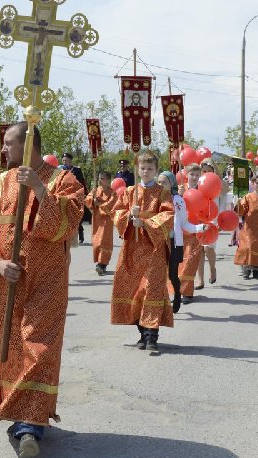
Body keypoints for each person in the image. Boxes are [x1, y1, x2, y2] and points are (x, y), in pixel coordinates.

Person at [0, 121, 85, 458]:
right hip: (9, 282)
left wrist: (39, 188)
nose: (3, 149)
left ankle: (30, 425)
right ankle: (21, 415)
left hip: (48, 282)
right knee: (13, 348)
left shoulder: (63, 180)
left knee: (40, 346)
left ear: (28, 144)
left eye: (9, 143)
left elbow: (69, 224)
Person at [111, 151, 174, 352]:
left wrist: (145, 223)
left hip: (154, 249)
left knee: (151, 289)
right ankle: (141, 332)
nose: (146, 172)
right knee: (136, 290)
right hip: (132, 248)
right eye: (143, 168)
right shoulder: (129, 192)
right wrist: (129, 216)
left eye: (150, 168)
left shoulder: (162, 193)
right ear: (138, 169)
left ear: (156, 170)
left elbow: (168, 216)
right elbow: (116, 212)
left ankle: (152, 335)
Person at [158, 168, 204, 311]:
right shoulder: (154, 199)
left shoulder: (178, 200)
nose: (161, 185)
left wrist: (200, 227)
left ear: (171, 183)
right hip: (158, 242)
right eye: (159, 182)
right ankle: (161, 299)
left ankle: (179, 294)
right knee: (159, 271)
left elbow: (184, 223)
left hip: (175, 242)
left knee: (174, 272)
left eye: (164, 182)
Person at [196, 159, 223, 288]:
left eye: (209, 171)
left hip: (213, 219)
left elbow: (223, 203)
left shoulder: (218, 184)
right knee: (199, 250)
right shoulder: (197, 184)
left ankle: (212, 268)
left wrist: (221, 221)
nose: (206, 173)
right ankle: (200, 279)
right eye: (204, 171)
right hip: (199, 218)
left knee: (208, 248)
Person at [84, 171, 116, 275]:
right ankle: (100, 263)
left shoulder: (113, 193)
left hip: (107, 220)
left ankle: (102, 264)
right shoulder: (95, 190)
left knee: (104, 240)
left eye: (102, 178)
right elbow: (87, 200)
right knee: (96, 241)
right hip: (96, 219)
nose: (100, 180)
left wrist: (100, 204)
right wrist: (92, 200)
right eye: (99, 178)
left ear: (108, 180)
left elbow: (112, 205)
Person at [60, 152, 89, 244]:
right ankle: (65, 236)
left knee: (76, 215)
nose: (65, 162)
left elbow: (82, 183)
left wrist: (85, 194)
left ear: (70, 161)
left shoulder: (76, 170)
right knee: (65, 216)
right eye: (63, 160)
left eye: (66, 160)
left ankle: (80, 233)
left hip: (75, 196)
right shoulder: (60, 170)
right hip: (64, 196)